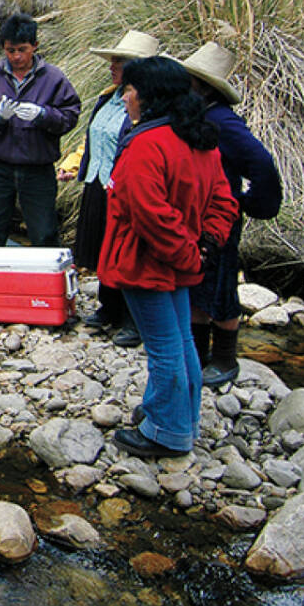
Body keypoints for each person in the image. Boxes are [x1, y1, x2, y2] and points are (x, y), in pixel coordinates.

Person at [100, 56, 239, 458]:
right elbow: (223, 201)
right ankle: (183, 417)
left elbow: (150, 214)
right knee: (181, 343)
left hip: (147, 263)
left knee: (164, 347)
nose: (125, 98)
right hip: (182, 261)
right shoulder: (198, 139)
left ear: (146, 97)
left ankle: (167, 431)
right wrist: (204, 247)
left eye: (129, 90)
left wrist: (187, 256)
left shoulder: (147, 144)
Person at [180, 42, 283, 388]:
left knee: (221, 285)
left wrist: (250, 202)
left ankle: (225, 359)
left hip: (220, 217)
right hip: (200, 216)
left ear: (203, 86)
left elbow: (262, 163)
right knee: (198, 283)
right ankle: (199, 355)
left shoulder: (223, 121)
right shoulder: (202, 115)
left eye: (190, 79)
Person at [58, 29, 161, 348]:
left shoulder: (149, 105)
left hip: (127, 188)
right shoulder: (108, 96)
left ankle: (134, 318)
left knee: (128, 252)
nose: (111, 66)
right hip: (98, 184)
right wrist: (74, 164)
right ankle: (109, 306)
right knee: (103, 249)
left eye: (118, 62)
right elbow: (95, 137)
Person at [0, 13, 81, 248]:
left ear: (35, 46)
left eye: (22, 49)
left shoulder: (54, 79)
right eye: (10, 50)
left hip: (38, 166)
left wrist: (44, 115)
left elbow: (70, 115)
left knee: (44, 230)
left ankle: (44, 281)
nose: (16, 57)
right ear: (3, 49)